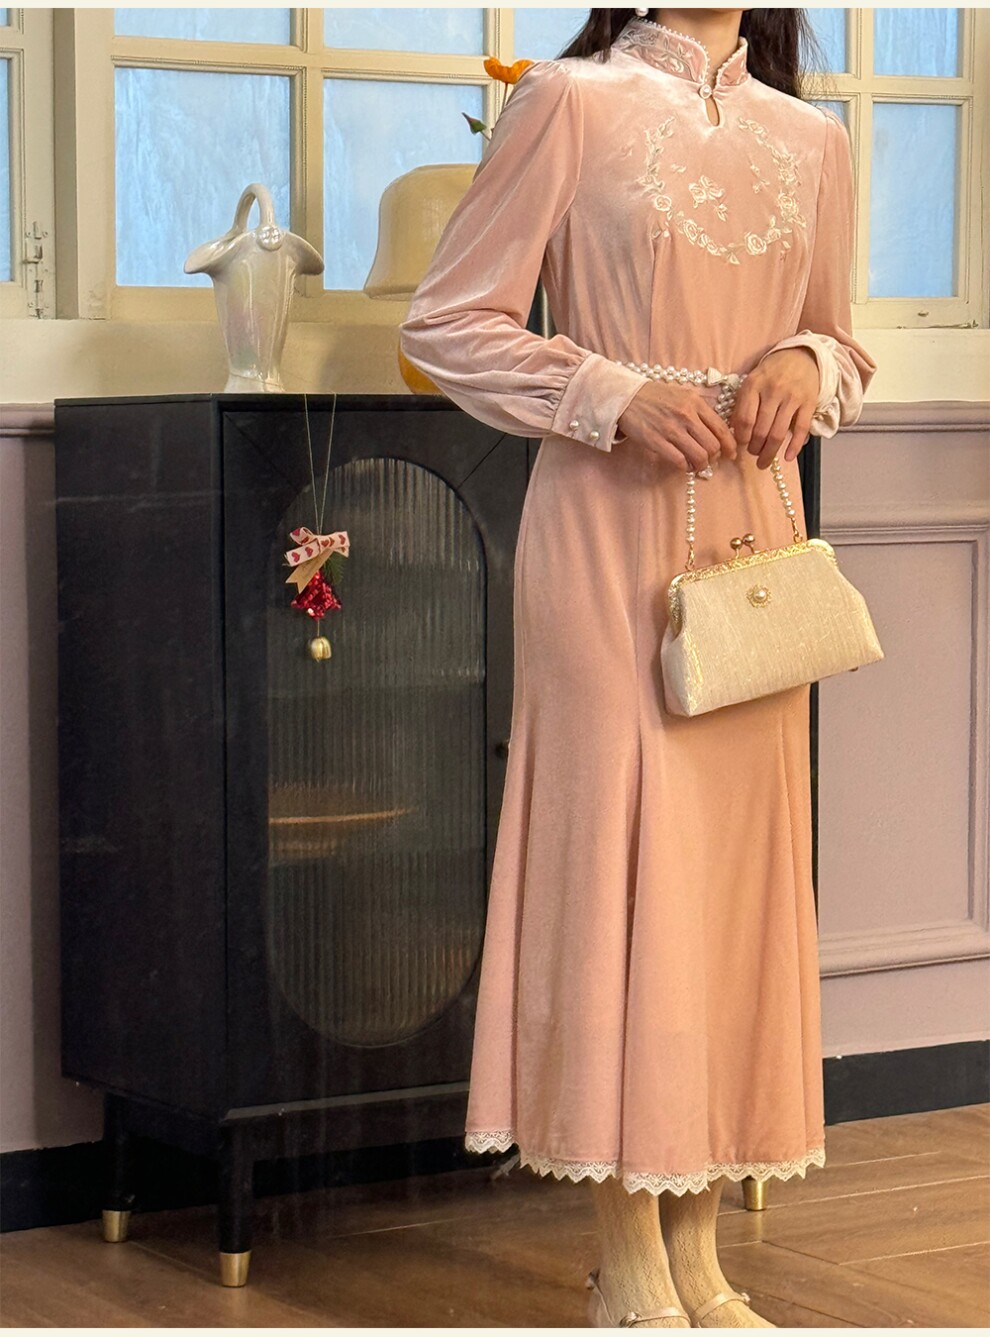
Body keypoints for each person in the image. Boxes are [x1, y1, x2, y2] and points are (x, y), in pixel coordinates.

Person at [399, 8, 878, 1329]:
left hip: (753, 547)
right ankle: (625, 1255)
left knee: (727, 888)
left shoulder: (813, 140)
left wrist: (807, 361)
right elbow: (447, 323)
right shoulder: (569, 101)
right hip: (603, 534)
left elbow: (844, 342)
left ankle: (699, 1255)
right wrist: (606, 394)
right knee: (618, 869)